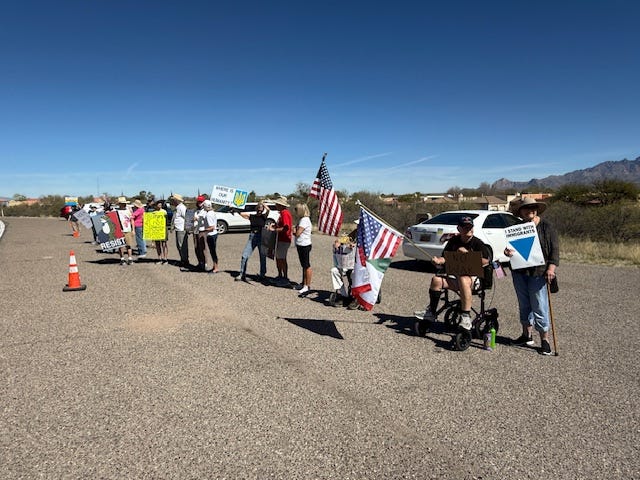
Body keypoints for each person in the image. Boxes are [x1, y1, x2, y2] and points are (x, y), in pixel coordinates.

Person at [415, 216, 490, 331]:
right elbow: (445, 257)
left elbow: (486, 261)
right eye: (465, 227)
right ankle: (431, 312)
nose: (468, 229)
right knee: (436, 280)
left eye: (470, 227)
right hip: (455, 278)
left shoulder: (477, 243)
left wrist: (468, 255)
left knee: (463, 278)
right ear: (459, 228)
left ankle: (465, 316)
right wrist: (438, 260)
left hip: (474, 281)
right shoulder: (454, 241)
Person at [505, 197, 559, 356]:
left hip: (539, 273)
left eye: (533, 207)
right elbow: (510, 249)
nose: (530, 210)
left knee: (539, 305)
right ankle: (526, 335)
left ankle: (544, 340)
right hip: (520, 272)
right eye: (527, 208)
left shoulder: (547, 227)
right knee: (524, 305)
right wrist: (507, 252)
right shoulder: (516, 228)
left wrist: (551, 268)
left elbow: (555, 250)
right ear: (520, 211)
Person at [235, 201, 270, 282]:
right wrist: (234, 209)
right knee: (244, 256)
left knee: (262, 257)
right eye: (258, 209)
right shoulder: (252, 216)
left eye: (261, 210)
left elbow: (268, 210)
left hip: (261, 237)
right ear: (256, 209)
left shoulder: (264, 217)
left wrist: (262, 204)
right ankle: (242, 274)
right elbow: (241, 214)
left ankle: (262, 275)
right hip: (252, 237)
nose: (260, 211)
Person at [270, 196, 293, 286]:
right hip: (281, 239)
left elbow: (286, 227)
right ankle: (280, 275)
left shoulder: (285, 213)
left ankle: (285, 277)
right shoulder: (282, 213)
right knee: (278, 258)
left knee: (282, 258)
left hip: (284, 239)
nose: (276, 205)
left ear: (281, 205)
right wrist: (275, 226)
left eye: (277, 204)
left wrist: (275, 229)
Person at [293, 203, 313, 295]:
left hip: (304, 245)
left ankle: (307, 286)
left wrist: (294, 230)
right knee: (303, 265)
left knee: (306, 265)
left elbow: (298, 233)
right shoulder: (302, 219)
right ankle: (303, 283)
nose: (296, 212)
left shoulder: (304, 220)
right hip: (300, 244)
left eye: (297, 210)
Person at [170, 194, 190, 268]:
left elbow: (187, 217)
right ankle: (183, 259)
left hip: (182, 229)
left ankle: (185, 260)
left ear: (176, 200)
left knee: (182, 246)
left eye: (173, 200)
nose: (172, 201)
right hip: (178, 229)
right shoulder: (178, 207)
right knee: (179, 245)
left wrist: (188, 228)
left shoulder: (181, 207)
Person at [116, 196, 135, 265]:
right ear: (119, 204)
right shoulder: (116, 211)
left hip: (128, 230)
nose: (124, 204)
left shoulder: (129, 210)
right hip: (119, 230)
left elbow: (132, 220)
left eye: (124, 203)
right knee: (120, 245)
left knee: (128, 245)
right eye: (122, 203)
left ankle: (130, 258)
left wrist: (133, 230)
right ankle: (122, 259)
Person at [202, 200, 219, 274]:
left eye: (203, 206)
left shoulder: (209, 214)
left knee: (213, 252)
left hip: (211, 235)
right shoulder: (212, 212)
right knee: (213, 251)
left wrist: (204, 230)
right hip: (214, 234)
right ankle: (214, 266)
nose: (203, 207)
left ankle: (216, 268)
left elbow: (212, 227)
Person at [193, 195, 208, 271]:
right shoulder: (196, 211)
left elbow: (204, 221)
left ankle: (205, 263)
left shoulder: (205, 211)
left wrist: (197, 219)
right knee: (196, 247)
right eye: (198, 201)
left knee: (203, 248)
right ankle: (200, 262)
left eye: (201, 201)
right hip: (195, 230)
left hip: (202, 230)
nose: (199, 203)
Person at [153, 199, 169, 264]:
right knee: (157, 244)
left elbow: (166, 221)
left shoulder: (164, 212)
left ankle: (165, 258)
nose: (160, 205)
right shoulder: (154, 212)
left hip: (163, 229)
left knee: (164, 244)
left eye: (160, 204)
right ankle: (159, 258)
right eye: (158, 204)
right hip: (156, 229)